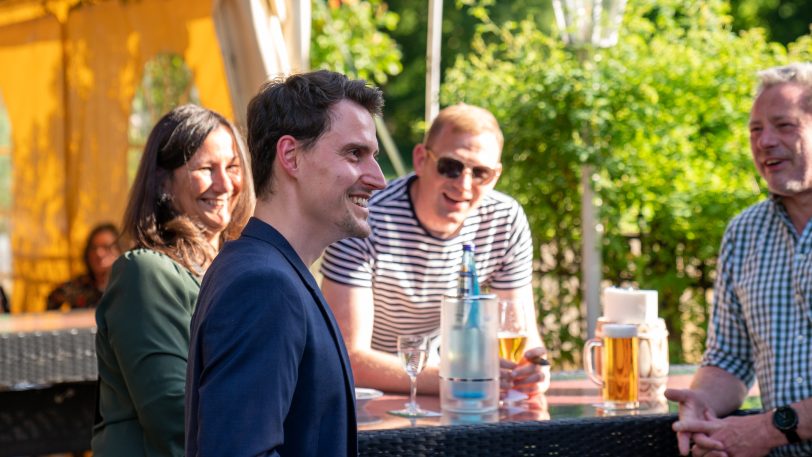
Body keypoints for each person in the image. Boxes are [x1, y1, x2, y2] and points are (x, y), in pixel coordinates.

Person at [185, 70, 386, 457]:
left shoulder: (267, 269)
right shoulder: (264, 284)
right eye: (355, 153)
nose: (377, 178)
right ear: (291, 156)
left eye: (373, 156)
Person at [320, 103, 549, 396]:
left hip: (448, 390)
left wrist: (534, 370)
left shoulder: (504, 220)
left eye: (480, 173)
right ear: (421, 160)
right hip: (369, 396)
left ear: (496, 176)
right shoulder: (364, 218)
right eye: (451, 167)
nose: (464, 185)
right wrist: (461, 377)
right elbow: (348, 358)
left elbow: (523, 336)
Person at [665, 62, 812, 457]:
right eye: (755, 129)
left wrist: (769, 429)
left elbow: (766, 430)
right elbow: (729, 358)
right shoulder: (744, 232)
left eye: (784, 125)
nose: (764, 141)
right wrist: (702, 411)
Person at [92, 104, 253, 457]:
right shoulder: (145, 273)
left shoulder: (239, 267)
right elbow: (176, 420)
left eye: (232, 167)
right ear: (163, 181)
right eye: (205, 169)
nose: (225, 184)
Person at [46, 223, 122, 311]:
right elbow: (53, 300)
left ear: (119, 250)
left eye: (106, 247)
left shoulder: (128, 285)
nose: (99, 253)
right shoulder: (78, 286)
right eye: (93, 248)